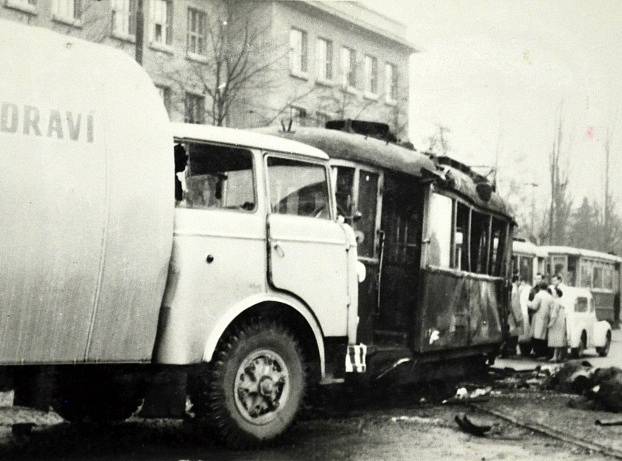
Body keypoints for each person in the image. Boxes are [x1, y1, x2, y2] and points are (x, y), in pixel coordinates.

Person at [529, 281, 553, 358]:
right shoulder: (550, 296)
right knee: (544, 336)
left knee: (537, 336)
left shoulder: (538, 295)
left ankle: (537, 353)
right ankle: (544, 353)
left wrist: (528, 303)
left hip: (538, 317)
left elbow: (534, 306)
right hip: (546, 317)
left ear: (539, 287)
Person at [547, 287, 567, 362]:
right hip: (561, 322)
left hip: (556, 323)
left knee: (555, 340)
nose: (552, 293)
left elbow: (554, 314)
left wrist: (550, 323)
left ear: (557, 294)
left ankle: (555, 356)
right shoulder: (561, 301)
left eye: (553, 292)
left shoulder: (555, 302)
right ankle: (559, 355)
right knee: (560, 339)